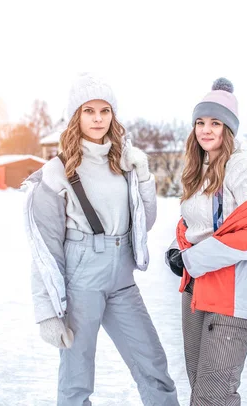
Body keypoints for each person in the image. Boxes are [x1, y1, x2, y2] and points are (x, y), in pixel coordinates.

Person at [22, 73, 178, 406]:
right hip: (82, 280)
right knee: (76, 380)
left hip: (122, 278)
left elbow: (144, 223)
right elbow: (44, 248)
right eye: (88, 110)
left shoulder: (124, 163)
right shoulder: (56, 171)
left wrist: (145, 177)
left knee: (153, 365)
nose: (97, 118)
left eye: (104, 111)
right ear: (75, 117)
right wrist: (47, 312)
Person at [165, 78, 247, 405]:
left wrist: (192, 259)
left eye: (215, 123)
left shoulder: (242, 169)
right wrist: (175, 250)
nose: (205, 130)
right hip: (198, 288)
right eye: (200, 122)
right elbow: (196, 223)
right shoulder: (200, 169)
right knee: (201, 390)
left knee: (213, 396)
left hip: (234, 292)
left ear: (229, 129)